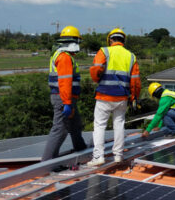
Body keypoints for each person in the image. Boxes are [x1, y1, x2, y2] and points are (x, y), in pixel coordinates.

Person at [87, 28, 140, 166]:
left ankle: (98, 157)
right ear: (123, 40)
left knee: (99, 126)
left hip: (104, 96)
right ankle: (118, 155)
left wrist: (97, 79)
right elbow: (135, 80)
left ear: (110, 39)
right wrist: (134, 97)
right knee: (119, 125)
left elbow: (96, 69)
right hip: (122, 97)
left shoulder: (104, 51)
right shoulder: (131, 56)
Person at [42, 25, 87, 161]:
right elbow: (65, 82)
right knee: (60, 129)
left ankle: (82, 151)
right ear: (73, 41)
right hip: (63, 98)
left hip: (66, 98)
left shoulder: (63, 55)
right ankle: (47, 162)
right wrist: (67, 103)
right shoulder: (64, 57)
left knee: (75, 126)